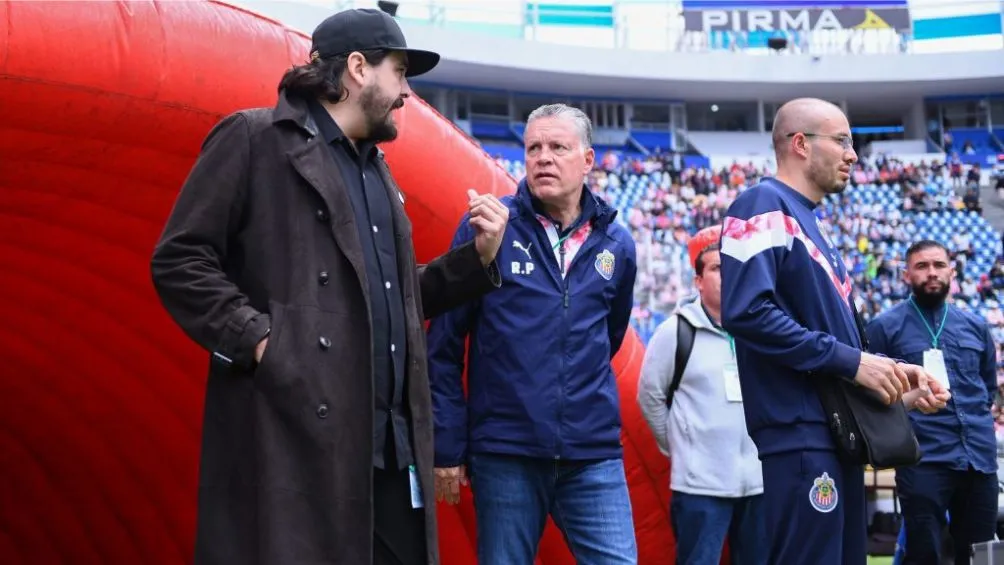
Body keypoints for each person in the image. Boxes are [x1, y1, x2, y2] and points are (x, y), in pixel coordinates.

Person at [150, 9, 509, 565]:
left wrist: (475, 262)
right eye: (400, 72)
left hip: (392, 450)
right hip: (299, 436)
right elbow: (180, 259)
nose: (407, 92)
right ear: (359, 68)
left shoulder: (380, 173)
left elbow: (393, 299)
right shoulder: (254, 138)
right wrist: (263, 342)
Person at [718, 97, 951, 565]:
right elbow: (745, 312)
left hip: (835, 434)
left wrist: (891, 379)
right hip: (799, 435)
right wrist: (853, 362)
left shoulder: (812, 222)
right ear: (801, 144)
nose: (853, 154)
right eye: (842, 140)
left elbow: (837, 348)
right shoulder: (762, 203)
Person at [426, 103, 639, 564]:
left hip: (592, 453)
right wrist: (447, 445)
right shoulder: (487, 228)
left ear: (587, 159)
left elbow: (611, 336)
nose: (543, 157)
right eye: (534, 148)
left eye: (558, 147)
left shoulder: (617, 243)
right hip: (506, 454)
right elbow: (441, 346)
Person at [638, 225, 767, 565]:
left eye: (733, 268)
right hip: (700, 487)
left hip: (757, 483)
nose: (728, 277)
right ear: (698, 281)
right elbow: (649, 396)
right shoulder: (675, 332)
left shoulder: (762, 333)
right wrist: (679, 447)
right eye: (717, 269)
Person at [867, 240, 999, 565]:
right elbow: (873, 395)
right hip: (923, 459)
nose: (932, 273)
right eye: (922, 266)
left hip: (978, 460)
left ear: (952, 272)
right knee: (923, 553)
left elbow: (987, 385)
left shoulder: (976, 326)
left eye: (939, 265)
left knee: (983, 554)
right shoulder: (884, 327)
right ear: (905, 275)